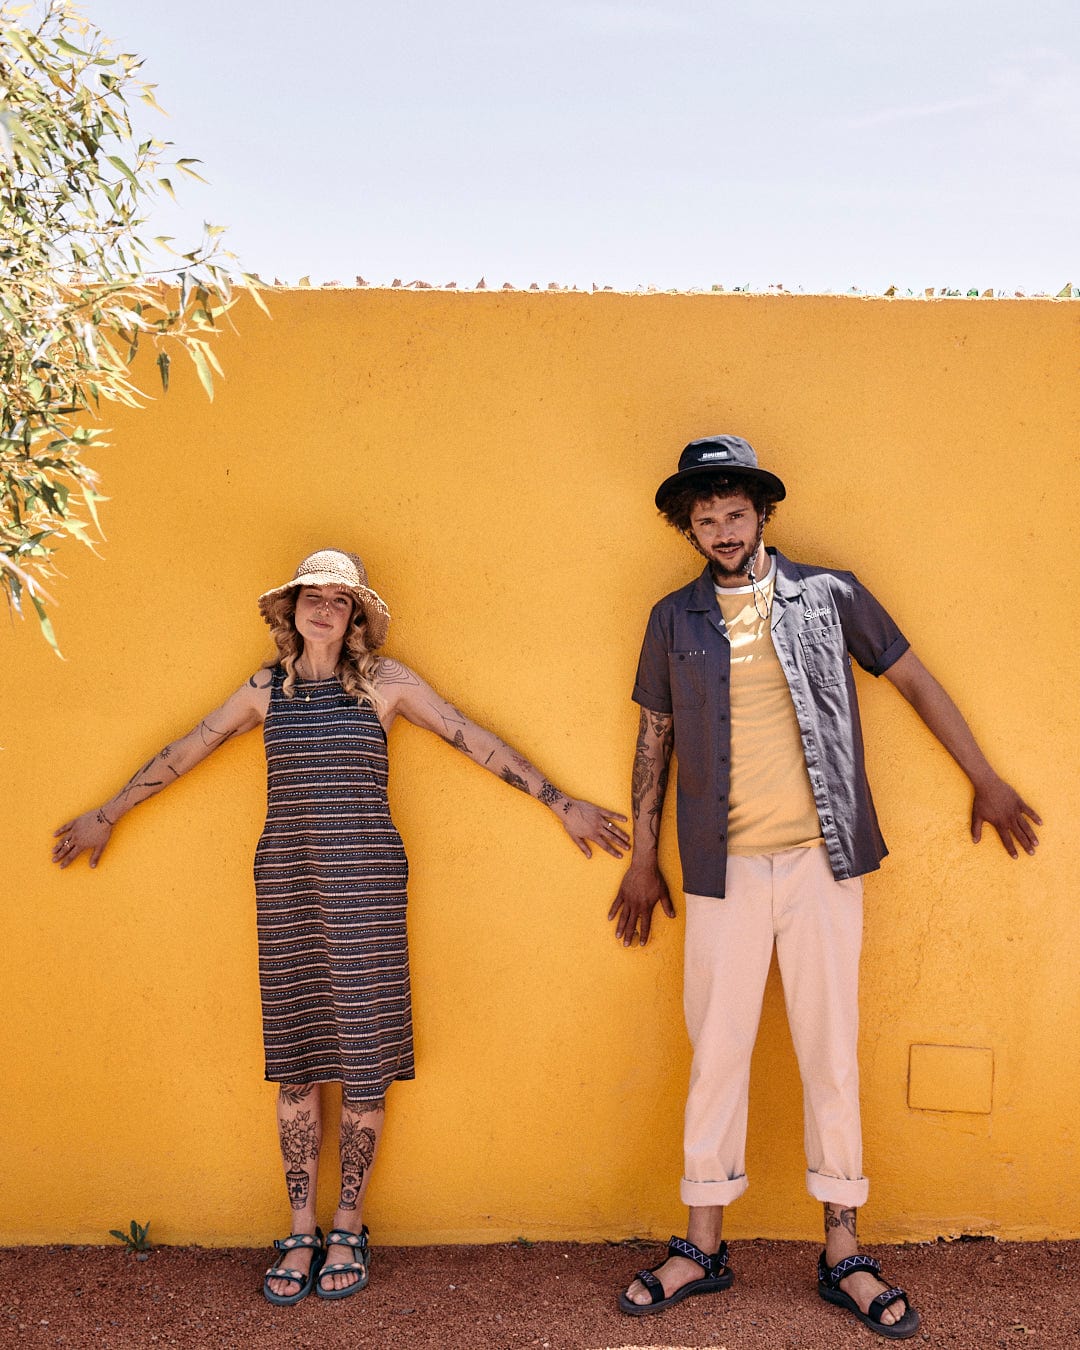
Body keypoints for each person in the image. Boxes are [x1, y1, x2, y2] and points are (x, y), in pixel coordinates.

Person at [54, 547, 629, 1306]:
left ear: (357, 615)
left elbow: (469, 735)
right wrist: (106, 813)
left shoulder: (387, 685)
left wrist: (559, 801)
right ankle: (300, 1227)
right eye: (312, 595)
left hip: (367, 891)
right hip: (287, 888)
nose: (324, 607)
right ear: (290, 609)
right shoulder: (267, 689)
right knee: (296, 1061)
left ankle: (348, 1223)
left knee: (363, 1059)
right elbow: (188, 748)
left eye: (339, 597)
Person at [609, 437, 1040, 1339]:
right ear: (688, 528)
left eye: (734, 513)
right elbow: (655, 738)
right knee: (716, 1051)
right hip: (720, 869)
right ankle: (701, 1246)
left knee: (830, 1048)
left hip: (821, 860)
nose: (722, 531)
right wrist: (643, 856)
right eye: (705, 518)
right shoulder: (672, 619)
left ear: (763, 514)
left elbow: (914, 679)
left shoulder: (830, 595)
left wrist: (984, 777)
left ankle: (842, 1247)